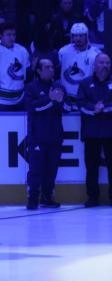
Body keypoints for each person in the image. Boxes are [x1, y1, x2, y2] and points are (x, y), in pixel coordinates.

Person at [24, 58, 70, 210]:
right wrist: (50, 100)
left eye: (52, 67)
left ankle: (47, 196)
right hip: (37, 137)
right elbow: (33, 108)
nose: (51, 69)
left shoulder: (58, 86)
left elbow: (66, 107)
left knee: (52, 169)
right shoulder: (31, 87)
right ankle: (32, 198)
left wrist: (60, 101)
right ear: (38, 70)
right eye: (47, 67)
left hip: (55, 135)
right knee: (36, 169)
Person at [77, 52, 112, 207]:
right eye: (102, 63)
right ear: (95, 65)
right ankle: (92, 197)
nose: (105, 66)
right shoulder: (84, 83)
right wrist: (94, 108)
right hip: (91, 132)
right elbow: (81, 104)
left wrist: (104, 108)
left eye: (108, 63)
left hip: (111, 132)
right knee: (91, 167)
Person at [0, 22, 30, 111]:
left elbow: (26, 72)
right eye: (8, 35)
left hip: (20, 100)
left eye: (13, 34)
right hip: (2, 101)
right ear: (1, 36)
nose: (12, 37)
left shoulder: (22, 50)